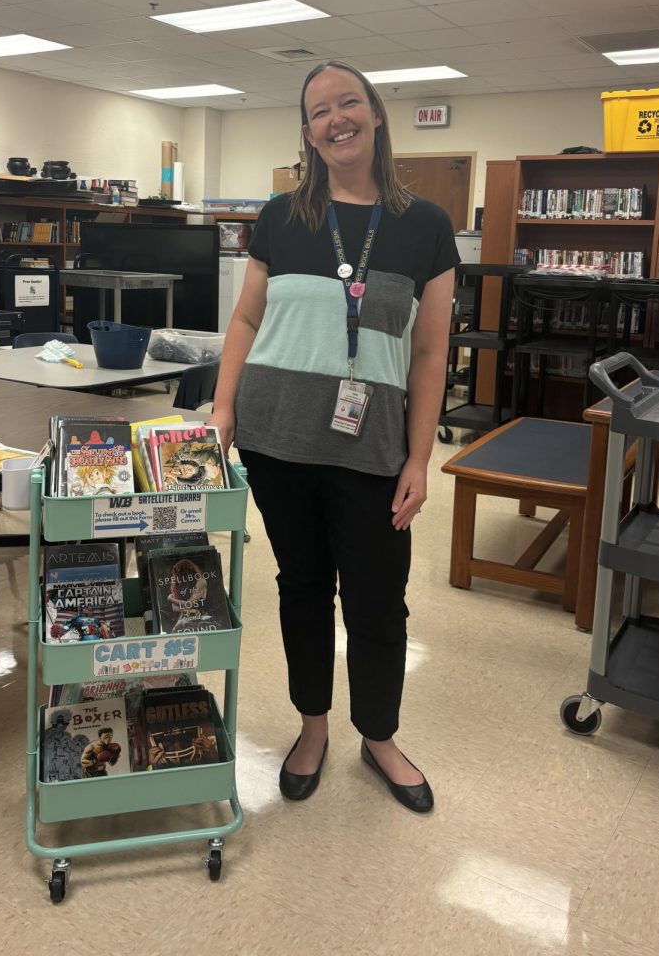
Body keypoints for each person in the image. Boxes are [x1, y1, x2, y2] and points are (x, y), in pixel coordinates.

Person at [209, 60, 457, 814]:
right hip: (277, 440)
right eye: (319, 111)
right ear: (309, 133)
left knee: (379, 601)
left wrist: (420, 457)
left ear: (376, 115)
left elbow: (430, 351)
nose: (335, 118)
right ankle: (311, 727)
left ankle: (378, 736)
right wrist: (223, 410)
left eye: (349, 102)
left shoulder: (425, 226)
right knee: (304, 589)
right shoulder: (282, 216)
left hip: (373, 449)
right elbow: (247, 319)